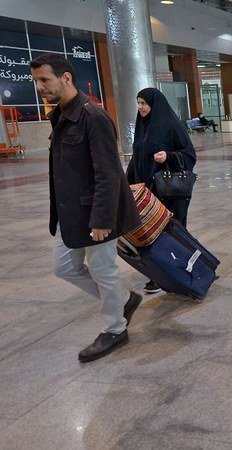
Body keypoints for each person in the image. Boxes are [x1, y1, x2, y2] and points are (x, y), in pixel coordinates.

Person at [30, 54, 142, 363]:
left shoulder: (93, 116)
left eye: (45, 80)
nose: (40, 87)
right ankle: (124, 299)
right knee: (64, 266)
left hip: (96, 214)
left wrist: (103, 217)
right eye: (36, 81)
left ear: (66, 78)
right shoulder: (62, 114)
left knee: (104, 270)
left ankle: (116, 328)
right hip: (71, 213)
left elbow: (108, 172)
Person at [127, 87, 197, 294]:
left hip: (168, 191)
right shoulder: (141, 126)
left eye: (143, 103)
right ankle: (157, 274)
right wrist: (127, 183)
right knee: (150, 233)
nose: (140, 107)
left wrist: (169, 156)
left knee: (170, 233)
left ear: (153, 104)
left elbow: (189, 155)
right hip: (147, 191)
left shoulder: (171, 125)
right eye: (138, 103)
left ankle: (185, 268)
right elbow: (136, 157)